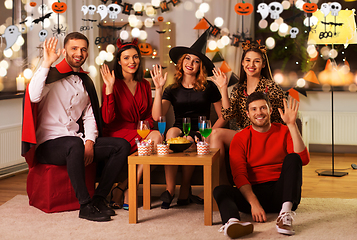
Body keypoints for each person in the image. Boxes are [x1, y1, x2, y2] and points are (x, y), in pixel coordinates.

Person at [23, 33, 130, 222]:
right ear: (64, 51)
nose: (79, 53)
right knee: (74, 144)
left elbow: (89, 116)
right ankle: (85, 205)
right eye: (74, 48)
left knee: (121, 146)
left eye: (83, 49)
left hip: (76, 143)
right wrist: (46, 63)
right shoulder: (49, 76)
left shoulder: (85, 81)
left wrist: (89, 141)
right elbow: (33, 96)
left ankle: (98, 198)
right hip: (49, 145)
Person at [213, 92, 310, 238]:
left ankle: (285, 215)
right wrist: (254, 203)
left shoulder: (284, 131)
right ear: (247, 113)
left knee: (293, 158)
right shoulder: (240, 138)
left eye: (263, 108)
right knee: (220, 190)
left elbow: (303, 160)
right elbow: (239, 175)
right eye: (254, 109)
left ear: (270, 110)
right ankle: (232, 222)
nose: (259, 112)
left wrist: (291, 125)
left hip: (282, 193)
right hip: (253, 193)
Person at [151, 29, 226, 209]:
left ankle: (185, 187)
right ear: (181, 61)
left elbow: (224, 115)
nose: (191, 63)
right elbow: (156, 116)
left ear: (201, 66)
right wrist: (159, 89)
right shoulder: (171, 88)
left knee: (191, 142)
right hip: (179, 128)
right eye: (187, 58)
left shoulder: (209, 87)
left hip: (201, 129)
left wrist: (210, 134)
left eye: (196, 61)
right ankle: (170, 190)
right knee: (170, 135)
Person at [210, 41, 286, 185]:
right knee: (214, 135)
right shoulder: (239, 89)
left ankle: (220, 187)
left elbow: (282, 119)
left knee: (216, 134)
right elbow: (227, 114)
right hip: (243, 135)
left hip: (264, 136)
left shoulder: (271, 88)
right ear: (243, 64)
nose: (251, 65)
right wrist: (223, 88)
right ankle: (221, 186)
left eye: (256, 61)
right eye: (248, 60)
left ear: (263, 64)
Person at [100, 38, 162, 210]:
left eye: (135, 57)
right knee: (156, 143)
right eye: (126, 58)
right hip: (118, 134)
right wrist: (109, 89)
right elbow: (107, 119)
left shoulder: (145, 84)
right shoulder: (112, 83)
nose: (132, 61)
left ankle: (125, 187)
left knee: (158, 139)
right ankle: (126, 189)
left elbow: (151, 117)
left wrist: (147, 126)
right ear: (119, 61)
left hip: (139, 132)